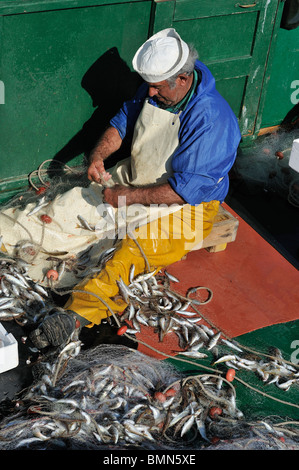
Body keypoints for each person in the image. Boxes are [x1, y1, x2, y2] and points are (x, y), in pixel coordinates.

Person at [29, 28, 241, 350]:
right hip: (139, 179)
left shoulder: (212, 119)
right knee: (68, 207)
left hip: (189, 206)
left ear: (182, 79)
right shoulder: (156, 88)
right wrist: (99, 155)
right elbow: (121, 121)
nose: (150, 93)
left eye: (157, 87)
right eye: (150, 86)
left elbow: (184, 191)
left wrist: (123, 197)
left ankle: (74, 317)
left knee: (131, 252)